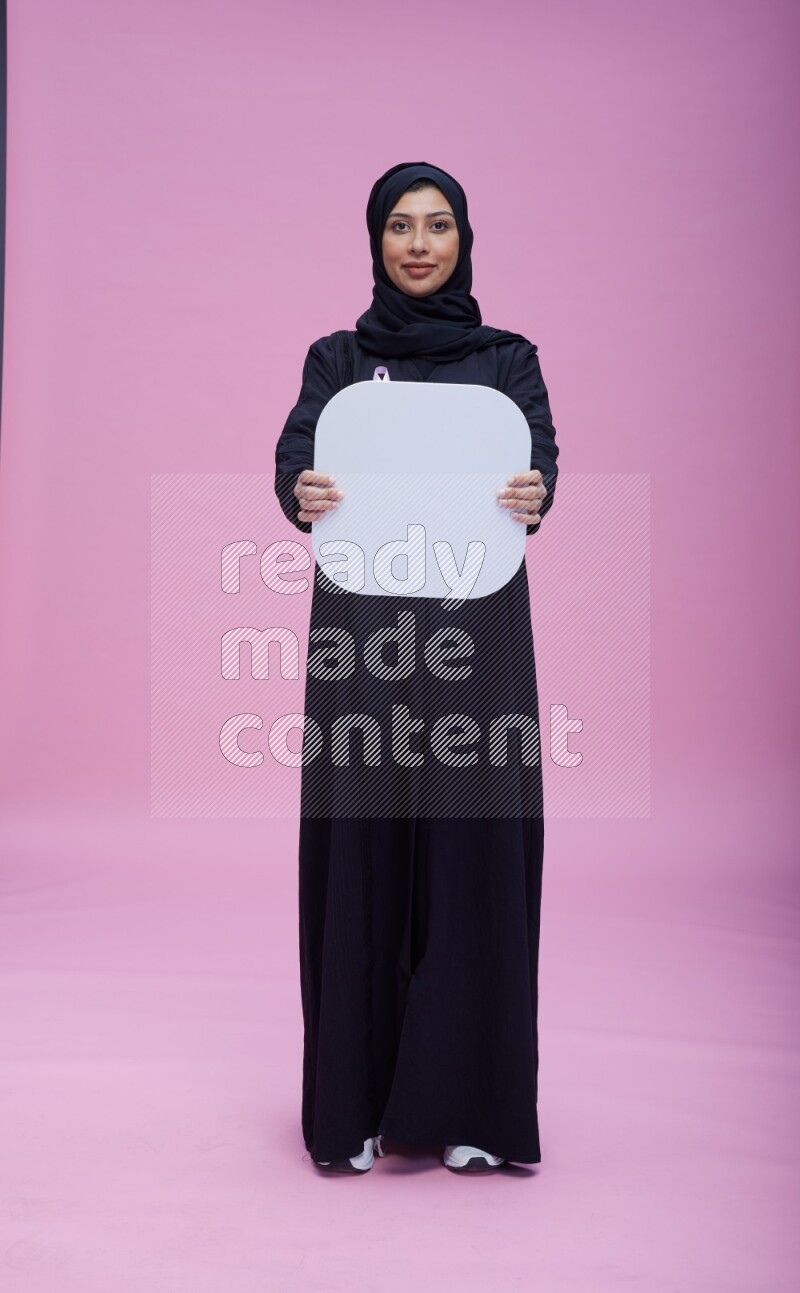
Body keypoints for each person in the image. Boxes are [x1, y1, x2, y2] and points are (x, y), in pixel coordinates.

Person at [274, 161, 560, 1175]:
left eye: (437, 225)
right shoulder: (337, 358)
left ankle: (473, 1107)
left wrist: (534, 492)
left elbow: (540, 466)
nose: (419, 244)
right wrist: (299, 486)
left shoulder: (506, 359)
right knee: (362, 851)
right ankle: (349, 1106)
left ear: (463, 238)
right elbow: (296, 463)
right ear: (375, 241)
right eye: (399, 226)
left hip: (475, 636)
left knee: (472, 850)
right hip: (362, 635)